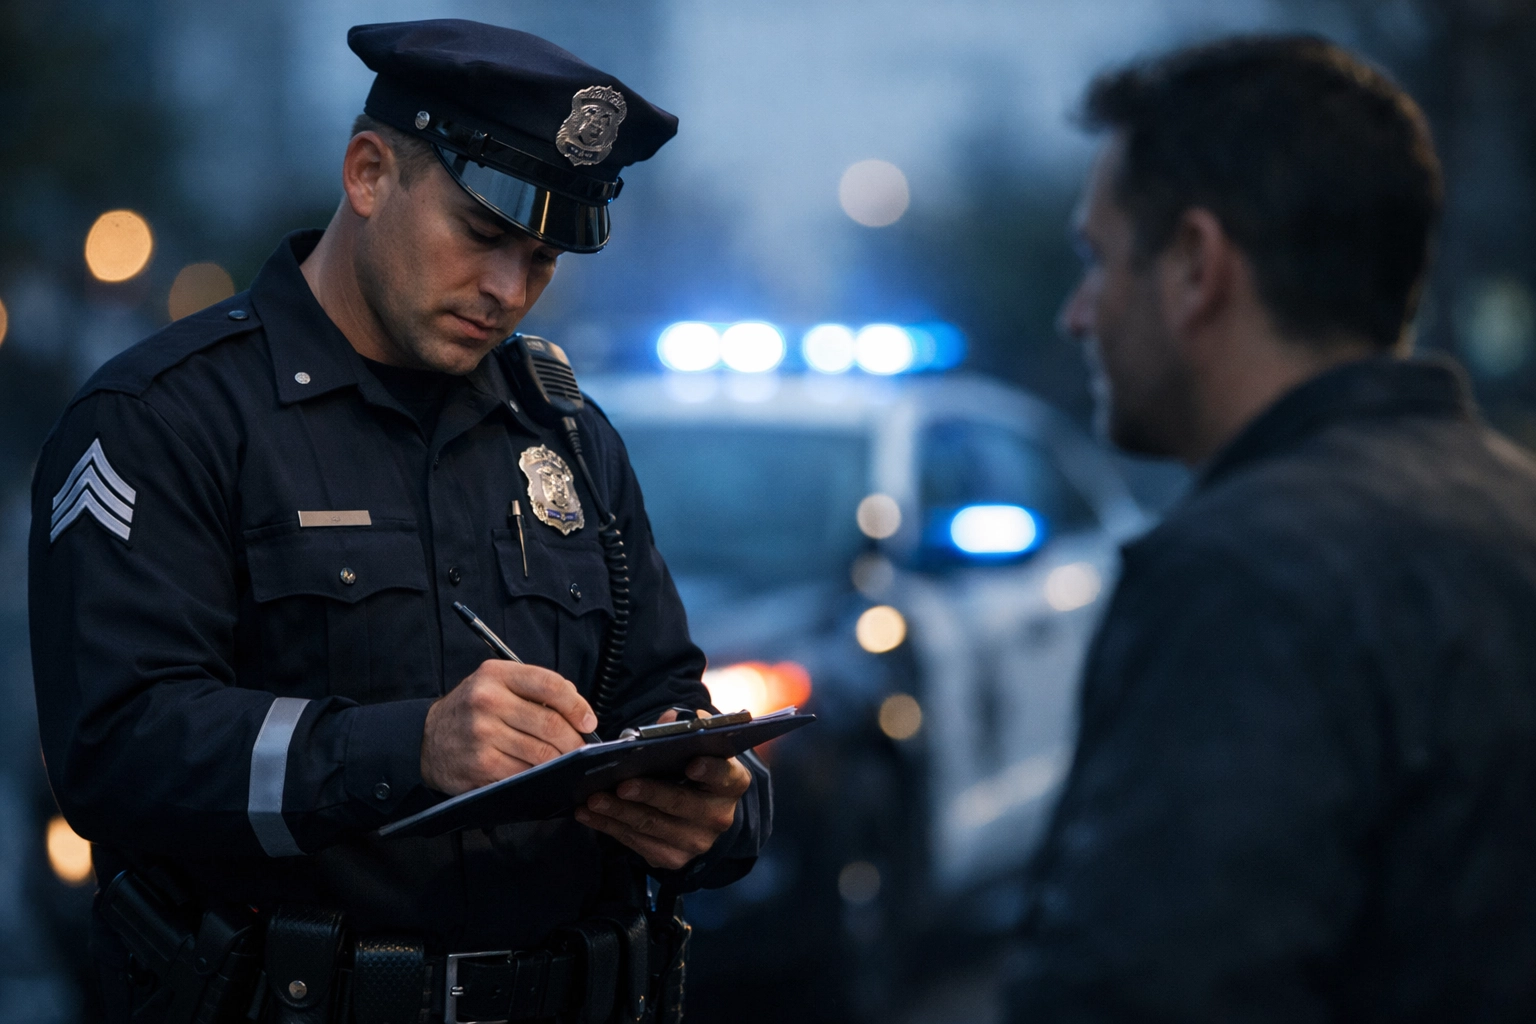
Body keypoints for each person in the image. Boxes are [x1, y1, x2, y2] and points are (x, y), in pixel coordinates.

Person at [29, 19, 770, 1024]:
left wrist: (720, 809)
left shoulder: (566, 432)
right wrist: (408, 748)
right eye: (482, 233)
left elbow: (664, 695)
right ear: (370, 172)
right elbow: (118, 752)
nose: (511, 290)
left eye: (543, 257)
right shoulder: (166, 418)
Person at [1007, 35, 1536, 1021]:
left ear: (1197, 266)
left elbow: (1142, 988)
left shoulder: (1243, 576)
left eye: (1099, 257)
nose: (1080, 315)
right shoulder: (1513, 510)